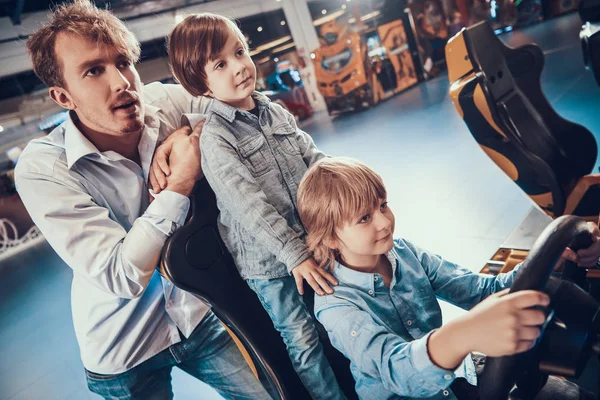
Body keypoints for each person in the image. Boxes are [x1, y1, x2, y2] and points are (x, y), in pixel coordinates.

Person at [15, 1, 270, 399]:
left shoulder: (164, 105)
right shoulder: (44, 169)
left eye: (122, 62)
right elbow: (122, 274)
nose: (121, 82)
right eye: (93, 71)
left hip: (200, 315)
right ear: (63, 96)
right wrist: (179, 184)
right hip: (124, 350)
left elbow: (249, 111)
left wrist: (186, 138)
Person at [296, 157, 600, 400]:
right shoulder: (335, 305)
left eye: (383, 205)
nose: (385, 222)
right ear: (331, 238)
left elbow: (482, 291)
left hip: (460, 378)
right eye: (364, 218)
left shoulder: (404, 253)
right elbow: (396, 368)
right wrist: (463, 334)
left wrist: (551, 263)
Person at [166, 13, 346, 399]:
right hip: (270, 265)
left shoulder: (275, 111)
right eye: (220, 64)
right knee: (303, 338)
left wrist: (346, 190)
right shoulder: (215, 139)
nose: (239, 66)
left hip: (312, 241)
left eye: (240, 51)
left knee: (342, 315)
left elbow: (314, 160)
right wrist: (294, 254)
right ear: (202, 84)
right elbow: (248, 206)